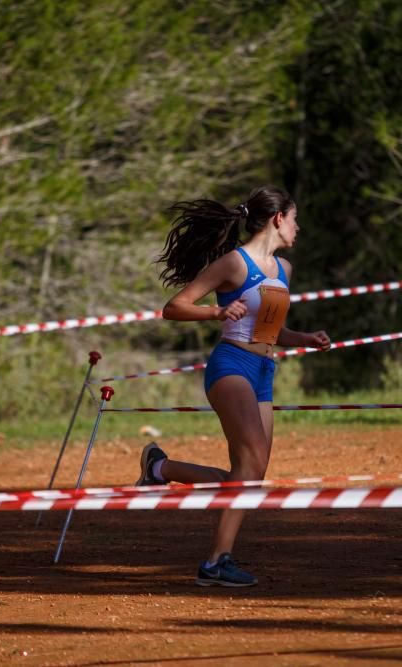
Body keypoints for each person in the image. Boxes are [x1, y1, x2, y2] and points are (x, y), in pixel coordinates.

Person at [137, 185, 331, 587]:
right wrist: (216, 311)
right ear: (278, 219)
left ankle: (160, 467)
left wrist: (305, 338)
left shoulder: (285, 270)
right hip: (231, 366)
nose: (298, 227)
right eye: (295, 219)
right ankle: (216, 562)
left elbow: (271, 331)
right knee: (251, 464)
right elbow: (173, 307)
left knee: (250, 475)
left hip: (263, 371)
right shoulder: (234, 263)